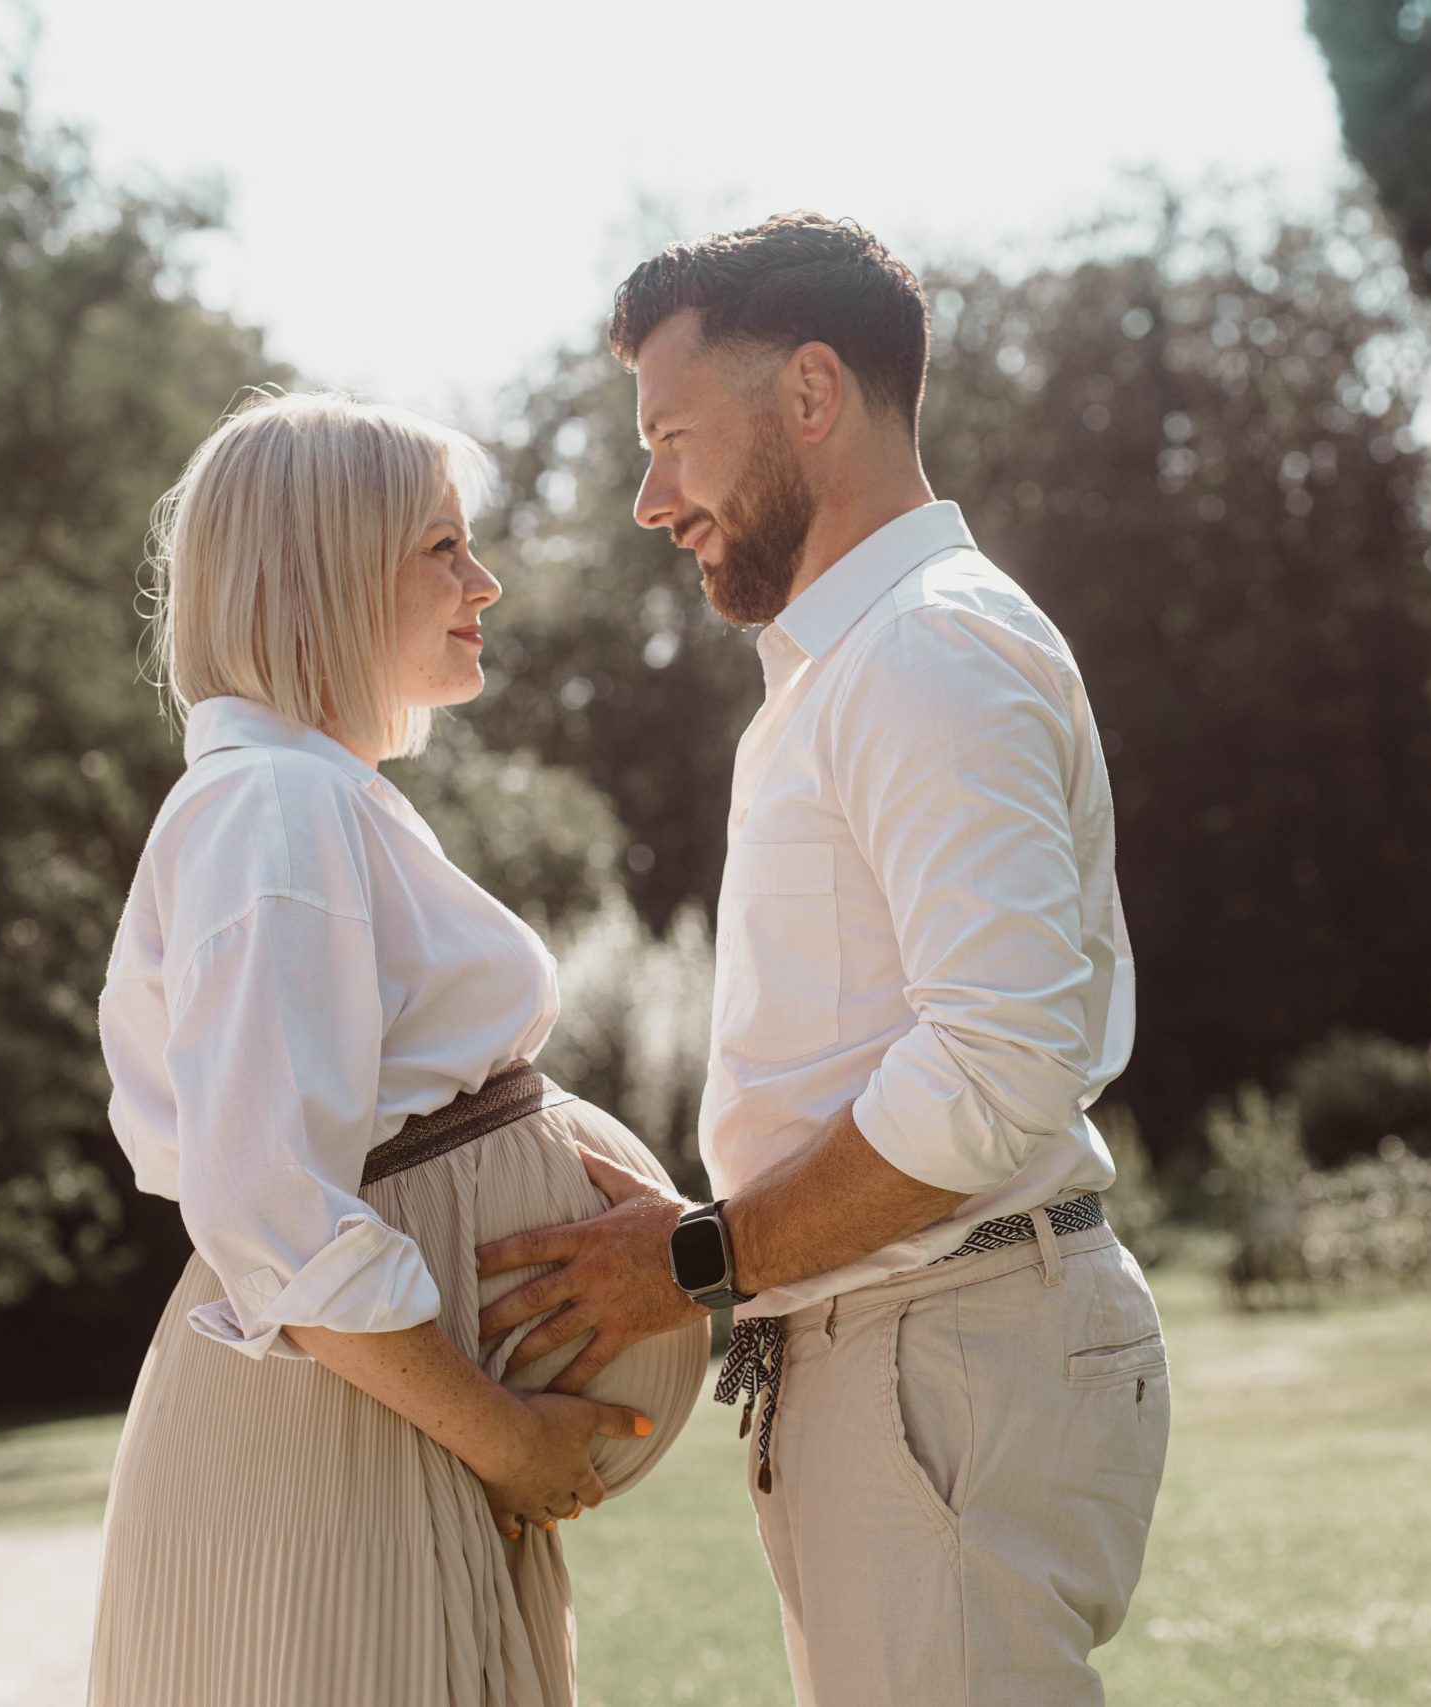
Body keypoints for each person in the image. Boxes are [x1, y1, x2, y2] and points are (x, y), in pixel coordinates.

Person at [475, 213, 1169, 1706]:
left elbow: (1001, 1064)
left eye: (673, 436)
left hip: (950, 1352)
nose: (652, 497)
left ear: (808, 395)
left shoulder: (929, 651)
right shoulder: (840, 669)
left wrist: (701, 1258)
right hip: (899, 1348)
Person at [84, 391, 710, 1707]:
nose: (484, 581)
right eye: (442, 547)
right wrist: (503, 1438)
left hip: (378, 1430)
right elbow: (270, 1205)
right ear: (326, 566)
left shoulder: (311, 799)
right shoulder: (276, 810)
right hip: (354, 1440)